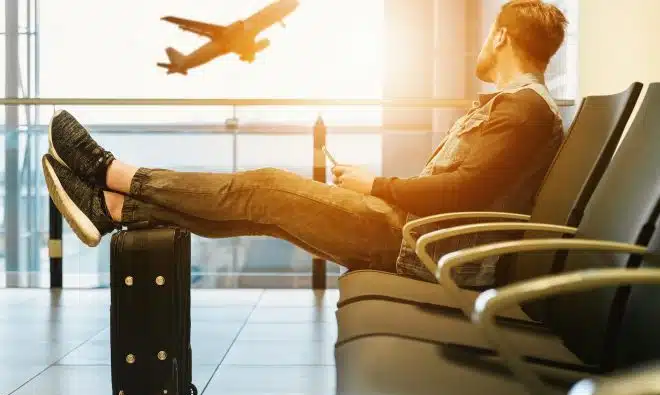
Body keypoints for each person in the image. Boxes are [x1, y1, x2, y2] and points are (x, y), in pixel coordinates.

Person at [42, 0, 567, 288]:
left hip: (419, 247)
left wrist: (377, 184)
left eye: (487, 35)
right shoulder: (518, 108)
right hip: (413, 234)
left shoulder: (523, 109)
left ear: (500, 36)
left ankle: (113, 174)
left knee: (267, 189)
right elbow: (465, 187)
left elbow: (464, 193)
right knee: (268, 210)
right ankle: (115, 206)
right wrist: (377, 186)